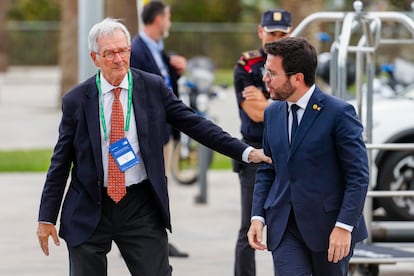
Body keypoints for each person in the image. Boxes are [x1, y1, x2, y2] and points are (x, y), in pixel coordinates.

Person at [36, 17, 271, 276]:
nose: (118, 59)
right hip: (90, 206)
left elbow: (195, 124)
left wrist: (246, 152)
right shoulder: (76, 100)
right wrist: (46, 216)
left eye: (123, 50)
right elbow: (60, 161)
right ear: (95, 58)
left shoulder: (152, 87)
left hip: (140, 205)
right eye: (110, 53)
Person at [247, 37, 369, 276]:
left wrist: (344, 226)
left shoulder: (339, 113)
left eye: (272, 73)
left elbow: (358, 176)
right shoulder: (272, 112)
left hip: (330, 229)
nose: (265, 79)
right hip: (284, 227)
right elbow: (268, 169)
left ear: (297, 78)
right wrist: (258, 216)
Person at [232, 9, 291, 276]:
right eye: (271, 33)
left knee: (293, 224)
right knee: (250, 227)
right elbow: (254, 113)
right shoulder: (247, 65)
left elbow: (299, 109)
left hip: (290, 152)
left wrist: (267, 103)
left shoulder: (297, 64)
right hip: (256, 152)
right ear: (260, 32)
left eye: (282, 34)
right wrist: (282, 105)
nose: (275, 39)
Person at [130, 0, 188, 258]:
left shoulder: (156, 48)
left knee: (160, 187)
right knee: (151, 187)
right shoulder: (136, 49)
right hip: (150, 133)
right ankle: (151, 241)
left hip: (164, 129)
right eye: (168, 17)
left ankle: (155, 238)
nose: (170, 22)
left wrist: (175, 67)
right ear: (157, 19)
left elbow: (163, 85)